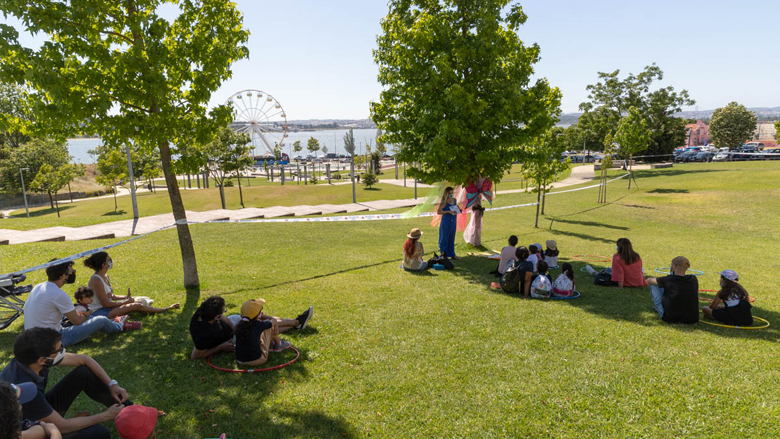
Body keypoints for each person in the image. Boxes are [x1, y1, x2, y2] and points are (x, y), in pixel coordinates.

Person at [0, 328, 129, 439]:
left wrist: (112, 384)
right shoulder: (26, 390)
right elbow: (62, 426)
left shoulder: (28, 360)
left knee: (83, 373)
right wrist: (105, 416)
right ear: (42, 360)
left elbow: (83, 359)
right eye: (59, 349)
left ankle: (129, 410)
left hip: (35, 415)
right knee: (100, 433)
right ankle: (121, 413)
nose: (62, 351)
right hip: (24, 430)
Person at [23, 260, 137, 347]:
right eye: (71, 272)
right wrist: (87, 313)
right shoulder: (59, 294)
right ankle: (119, 326)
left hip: (31, 337)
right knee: (100, 320)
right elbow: (77, 321)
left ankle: (112, 322)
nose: (73, 273)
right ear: (63, 276)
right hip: (54, 340)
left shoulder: (39, 287)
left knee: (85, 316)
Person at [190, 296, 311, 360]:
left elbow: (222, 317)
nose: (223, 313)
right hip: (232, 339)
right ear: (215, 317)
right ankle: (297, 322)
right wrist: (221, 347)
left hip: (232, 326)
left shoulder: (204, 310)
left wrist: (234, 326)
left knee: (256, 319)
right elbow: (195, 356)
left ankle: (296, 322)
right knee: (262, 328)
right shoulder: (202, 335)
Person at [83, 252, 179, 319]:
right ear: (104, 265)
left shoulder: (105, 276)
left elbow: (110, 296)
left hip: (107, 309)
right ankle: (165, 309)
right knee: (136, 305)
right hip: (99, 312)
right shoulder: (96, 280)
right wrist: (125, 302)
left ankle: (153, 310)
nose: (111, 261)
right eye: (109, 260)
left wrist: (125, 297)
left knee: (137, 302)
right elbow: (106, 304)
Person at [234, 299, 292, 366]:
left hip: (239, 360)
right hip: (257, 360)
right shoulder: (259, 325)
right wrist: (272, 320)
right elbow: (273, 320)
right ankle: (278, 344)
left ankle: (271, 343)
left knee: (265, 327)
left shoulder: (239, 325)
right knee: (269, 327)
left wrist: (258, 315)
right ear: (258, 315)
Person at [646, 256, 699, 324]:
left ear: (674, 266)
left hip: (670, 318)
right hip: (692, 318)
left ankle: (658, 308)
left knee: (654, 284)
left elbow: (649, 280)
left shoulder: (668, 280)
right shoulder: (693, 279)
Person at [436, 186, 461, 260]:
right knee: (444, 237)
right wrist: (448, 212)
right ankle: (443, 254)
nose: (451, 194)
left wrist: (459, 210)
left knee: (451, 237)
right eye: (450, 193)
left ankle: (452, 254)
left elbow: (456, 208)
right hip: (446, 221)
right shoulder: (444, 202)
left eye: (452, 192)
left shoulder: (454, 200)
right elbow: (439, 211)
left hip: (453, 221)